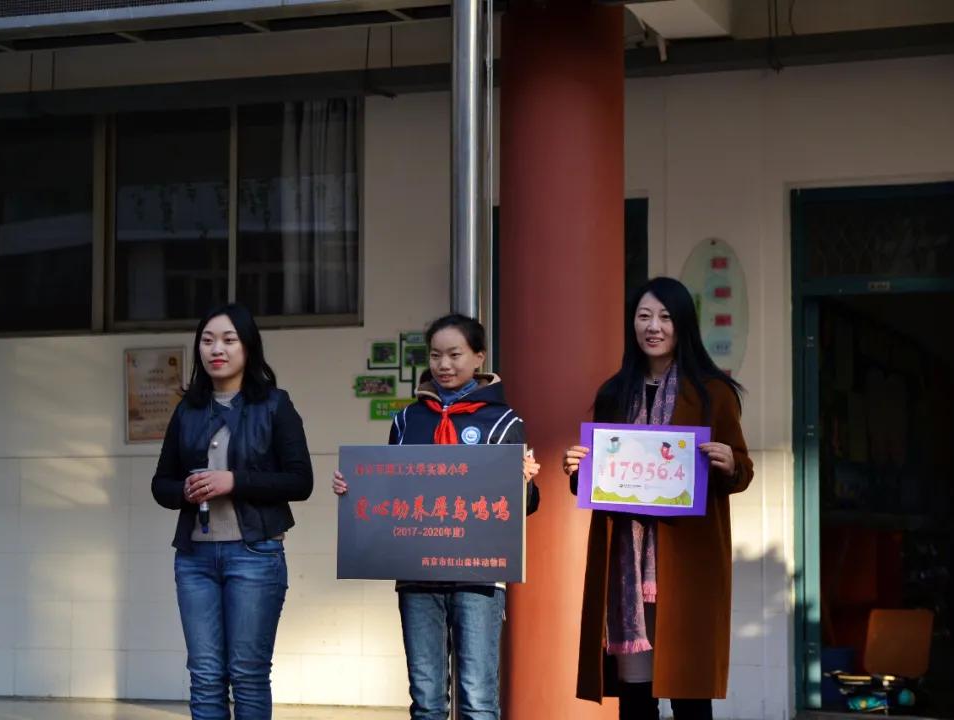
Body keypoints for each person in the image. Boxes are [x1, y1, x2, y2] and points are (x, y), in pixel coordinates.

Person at [333, 313, 541, 720]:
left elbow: (527, 505)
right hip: (417, 575)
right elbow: (390, 492)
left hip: (479, 575)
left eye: (455, 354)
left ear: (479, 357)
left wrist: (524, 483)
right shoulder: (407, 420)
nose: (444, 365)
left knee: (478, 700)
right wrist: (354, 486)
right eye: (435, 355)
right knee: (426, 701)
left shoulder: (504, 422)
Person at [562, 277, 753, 720]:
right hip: (626, 564)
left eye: (665, 317)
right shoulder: (614, 392)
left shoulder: (713, 392)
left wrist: (731, 462)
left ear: (682, 324)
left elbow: (741, 470)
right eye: (644, 316)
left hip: (686, 562)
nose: (654, 327)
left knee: (689, 693)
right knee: (635, 694)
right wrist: (578, 469)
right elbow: (599, 477)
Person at [152, 303, 314, 720]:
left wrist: (234, 481)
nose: (215, 349)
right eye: (207, 341)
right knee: (204, 675)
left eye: (228, 340)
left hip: (255, 555)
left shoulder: (275, 405)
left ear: (248, 347)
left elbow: (300, 481)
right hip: (194, 559)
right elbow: (160, 484)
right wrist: (185, 490)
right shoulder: (187, 410)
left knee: (248, 674)